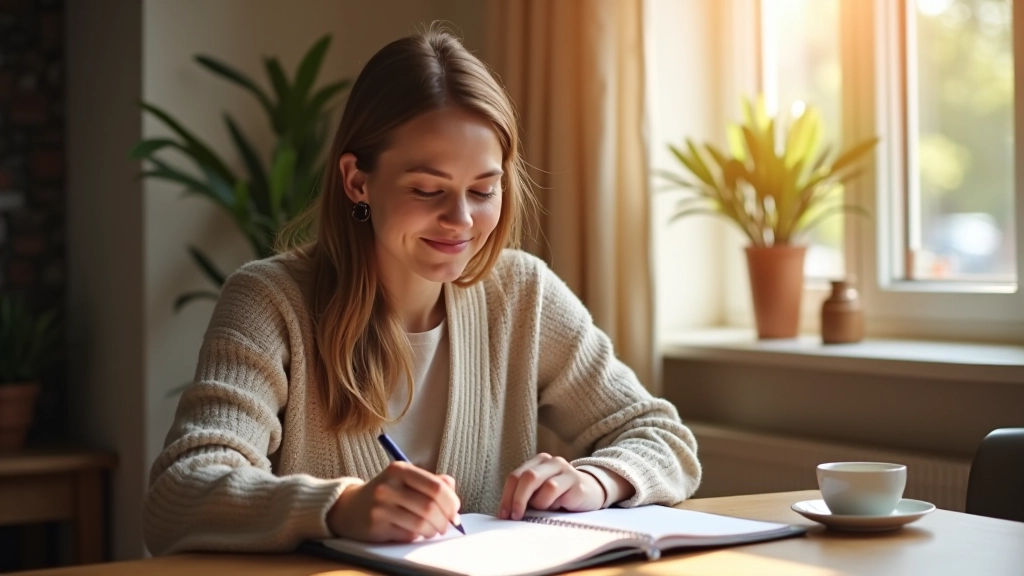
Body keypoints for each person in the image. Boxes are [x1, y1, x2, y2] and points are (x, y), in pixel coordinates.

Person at [142, 25, 701, 555]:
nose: (461, 220)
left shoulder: (522, 294)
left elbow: (663, 437)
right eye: (428, 190)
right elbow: (179, 494)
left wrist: (597, 480)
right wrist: (340, 507)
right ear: (357, 181)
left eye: (483, 190)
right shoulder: (269, 301)